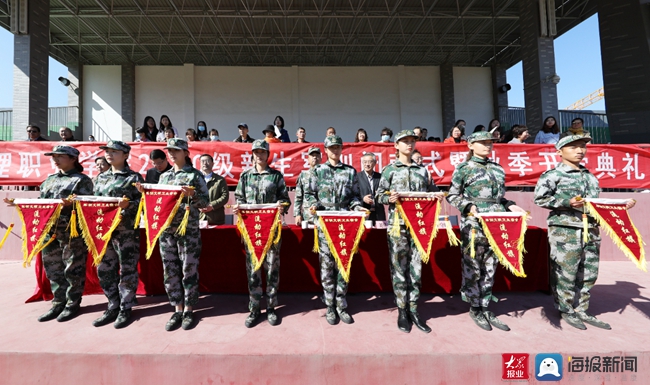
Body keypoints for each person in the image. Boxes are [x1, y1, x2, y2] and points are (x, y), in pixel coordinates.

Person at [534, 133, 634, 330]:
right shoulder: (553, 175)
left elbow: (596, 205)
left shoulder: (590, 176)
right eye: (573, 147)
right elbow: (540, 199)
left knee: (588, 272)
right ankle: (566, 309)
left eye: (582, 147)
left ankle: (581, 309)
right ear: (560, 151)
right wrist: (565, 202)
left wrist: (620, 207)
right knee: (565, 272)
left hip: (590, 230)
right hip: (565, 230)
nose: (580, 151)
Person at [446, 131, 527, 332]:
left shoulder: (497, 169)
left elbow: (500, 198)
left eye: (490, 143)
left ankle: (485, 305)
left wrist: (511, 205)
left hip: (496, 223)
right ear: (471, 145)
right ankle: (474, 306)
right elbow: (452, 195)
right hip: (474, 223)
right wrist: (467, 207)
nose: (487, 146)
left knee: (491, 264)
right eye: (482, 143)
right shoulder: (464, 168)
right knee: (473, 264)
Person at [4, 146, 93, 322]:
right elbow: (42, 203)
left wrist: (71, 204)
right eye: (54, 156)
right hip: (49, 231)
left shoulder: (81, 181)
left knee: (72, 269)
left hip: (70, 232)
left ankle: (72, 304)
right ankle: (58, 302)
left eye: (60, 156)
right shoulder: (49, 180)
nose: (55, 159)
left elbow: (87, 205)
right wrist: (19, 202)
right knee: (53, 268)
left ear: (73, 158)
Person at [137, 138, 209, 331]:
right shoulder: (164, 177)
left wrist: (192, 195)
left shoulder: (195, 176)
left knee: (188, 269)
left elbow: (205, 204)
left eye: (176, 150)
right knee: (170, 270)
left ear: (185, 152)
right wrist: (145, 192)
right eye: (169, 151)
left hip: (188, 231)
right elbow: (157, 201)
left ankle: (189, 309)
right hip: (167, 231)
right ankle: (176, 308)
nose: (171, 154)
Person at [376, 130, 444, 333]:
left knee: (416, 269)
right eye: (404, 141)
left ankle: (414, 309)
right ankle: (402, 310)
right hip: (398, 225)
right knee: (399, 268)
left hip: (419, 226)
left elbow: (432, 191)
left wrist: (438, 196)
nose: (409, 144)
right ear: (396, 145)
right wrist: (389, 198)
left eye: (412, 141)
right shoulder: (390, 170)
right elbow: (379, 195)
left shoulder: (423, 171)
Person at [306, 135, 362, 325]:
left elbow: (354, 197)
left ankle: (341, 304)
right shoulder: (318, 171)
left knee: (343, 263)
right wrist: (314, 206)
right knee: (327, 266)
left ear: (341, 150)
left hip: (345, 225)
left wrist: (357, 207)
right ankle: (330, 305)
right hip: (325, 225)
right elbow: (310, 194)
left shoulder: (349, 172)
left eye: (338, 148)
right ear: (326, 150)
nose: (335, 151)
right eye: (331, 148)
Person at [234, 139, 290, 327]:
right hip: (252, 231)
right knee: (253, 270)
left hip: (271, 231)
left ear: (268, 154)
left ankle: (272, 307)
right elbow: (239, 198)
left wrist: (282, 206)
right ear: (252, 154)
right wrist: (238, 208)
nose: (259, 155)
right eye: (256, 152)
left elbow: (284, 199)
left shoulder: (275, 176)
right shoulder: (245, 176)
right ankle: (255, 308)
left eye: (262, 152)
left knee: (272, 268)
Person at [92, 141, 143, 329]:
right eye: (107, 151)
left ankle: (126, 307)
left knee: (127, 270)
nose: (109, 155)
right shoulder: (100, 178)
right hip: (103, 231)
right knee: (105, 269)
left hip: (126, 231)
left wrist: (128, 206)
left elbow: (144, 204)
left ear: (125, 155)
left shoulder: (133, 178)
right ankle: (112, 305)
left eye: (114, 152)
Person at [198, 154, 229, 225]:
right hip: (198, 218)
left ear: (212, 163)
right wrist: (198, 205)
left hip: (215, 219)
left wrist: (212, 206)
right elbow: (191, 195)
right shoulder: (196, 179)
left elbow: (225, 197)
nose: (205, 163)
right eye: (202, 161)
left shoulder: (220, 180)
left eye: (207, 161)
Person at [294, 146, 321, 225]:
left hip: (323, 216)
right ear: (308, 159)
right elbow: (298, 197)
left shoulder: (326, 175)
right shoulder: (303, 175)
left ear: (321, 158)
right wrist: (297, 214)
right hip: (308, 217)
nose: (315, 157)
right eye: (312, 156)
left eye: (317, 155)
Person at [357, 153, 385, 222]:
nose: (367, 164)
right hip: (364, 212)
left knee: (379, 232)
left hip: (378, 213)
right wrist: (362, 198)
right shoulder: (357, 177)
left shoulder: (380, 177)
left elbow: (385, 191)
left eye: (370, 162)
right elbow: (352, 194)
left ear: (375, 163)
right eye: (365, 162)